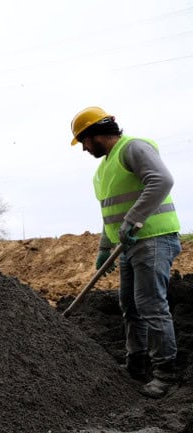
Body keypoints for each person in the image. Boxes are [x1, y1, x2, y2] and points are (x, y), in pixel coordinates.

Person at [71, 106, 181, 399]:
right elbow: (111, 214)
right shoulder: (102, 170)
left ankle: (165, 373)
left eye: (83, 141)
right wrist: (104, 247)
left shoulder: (133, 148)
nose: (84, 148)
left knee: (151, 305)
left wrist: (134, 219)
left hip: (153, 238)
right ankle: (136, 365)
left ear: (95, 134)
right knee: (130, 306)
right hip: (128, 245)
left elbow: (162, 180)